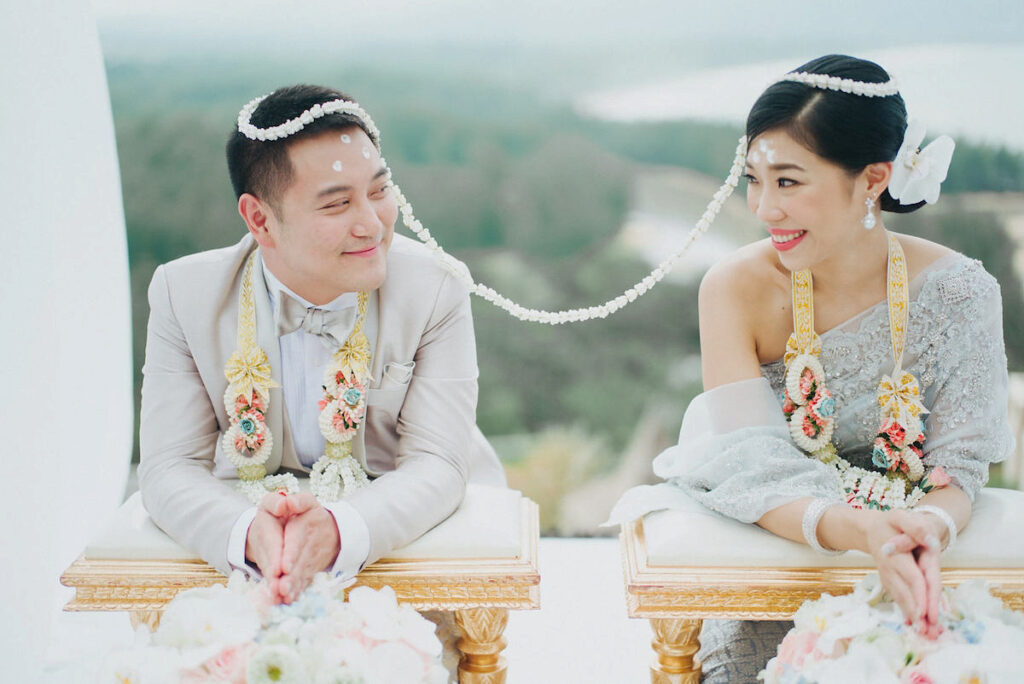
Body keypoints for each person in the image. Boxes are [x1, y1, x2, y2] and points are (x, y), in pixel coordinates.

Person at [609, 54, 1013, 681]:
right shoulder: (734, 288)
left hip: (917, 544)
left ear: (874, 179)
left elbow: (959, 464)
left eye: (789, 182)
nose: (764, 209)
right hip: (782, 547)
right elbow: (753, 464)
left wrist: (923, 529)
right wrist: (862, 531)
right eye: (754, 180)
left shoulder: (962, 292)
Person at [138, 84, 505, 605]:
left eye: (379, 191)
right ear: (259, 219)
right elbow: (168, 465)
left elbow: (438, 463)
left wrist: (338, 531)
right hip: (250, 516)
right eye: (338, 204)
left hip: (407, 521)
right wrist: (248, 535)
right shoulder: (183, 294)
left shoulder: (435, 287)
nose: (372, 224)